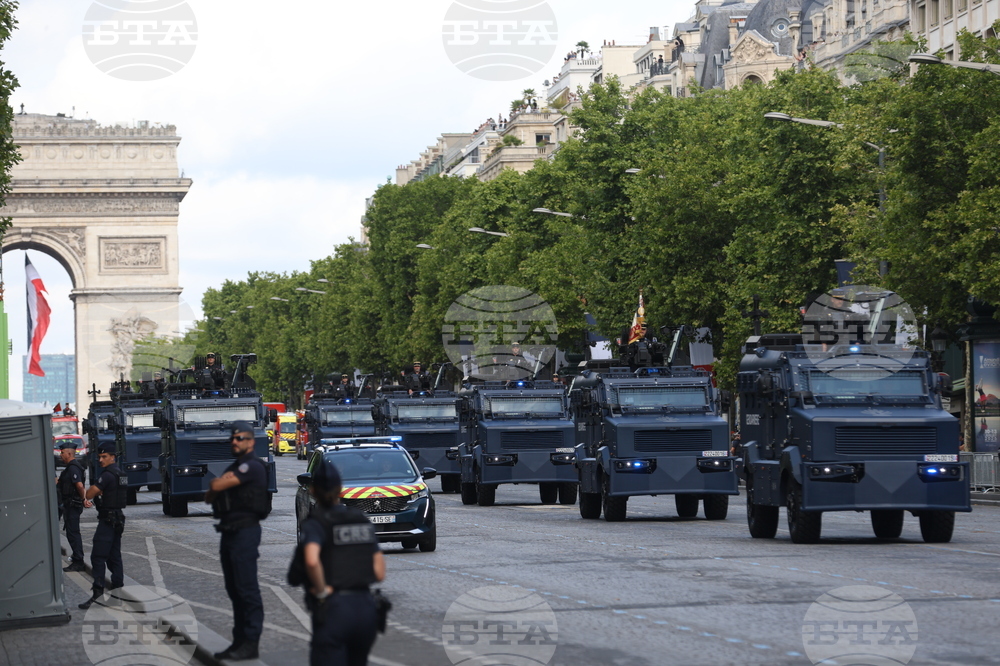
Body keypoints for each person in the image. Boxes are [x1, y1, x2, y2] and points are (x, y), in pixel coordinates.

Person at [300, 460, 385, 666]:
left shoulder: (316, 522)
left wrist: (321, 592)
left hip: (335, 608)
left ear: (313, 490)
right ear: (340, 489)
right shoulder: (360, 519)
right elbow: (379, 572)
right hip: (365, 608)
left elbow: (311, 561)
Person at [205, 421, 269, 661]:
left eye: (240, 438)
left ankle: (251, 642)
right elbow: (210, 494)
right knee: (233, 590)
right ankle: (239, 641)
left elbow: (217, 485)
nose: (235, 442)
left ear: (251, 441)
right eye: (232, 439)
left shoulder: (252, 466)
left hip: (245, 532)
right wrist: (218, 484)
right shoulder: (234, 466)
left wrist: (219, 484)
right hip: (229, 531)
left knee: (246, 588)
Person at [78, 442, 127, 610]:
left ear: (112, 457)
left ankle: (98, 594)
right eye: (99, 457)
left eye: (104, 457)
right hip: (118, 519)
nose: (100, 460)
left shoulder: (106, 475)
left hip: (107, 520)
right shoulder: (121, 473)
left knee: (98, 557)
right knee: (114, 557)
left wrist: (97, 491)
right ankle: (117, 595)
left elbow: (89, 493)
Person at [57, 441, 92, 572]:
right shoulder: (70, 467)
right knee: (71, 532)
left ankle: (78, 560)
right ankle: (77, 558)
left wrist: (84, 499)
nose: (61, 455)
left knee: (73, 533)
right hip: (69, 504)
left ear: (70, 453)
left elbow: (79, 485)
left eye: (62, 453)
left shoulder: (73, 468)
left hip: (72, 504)